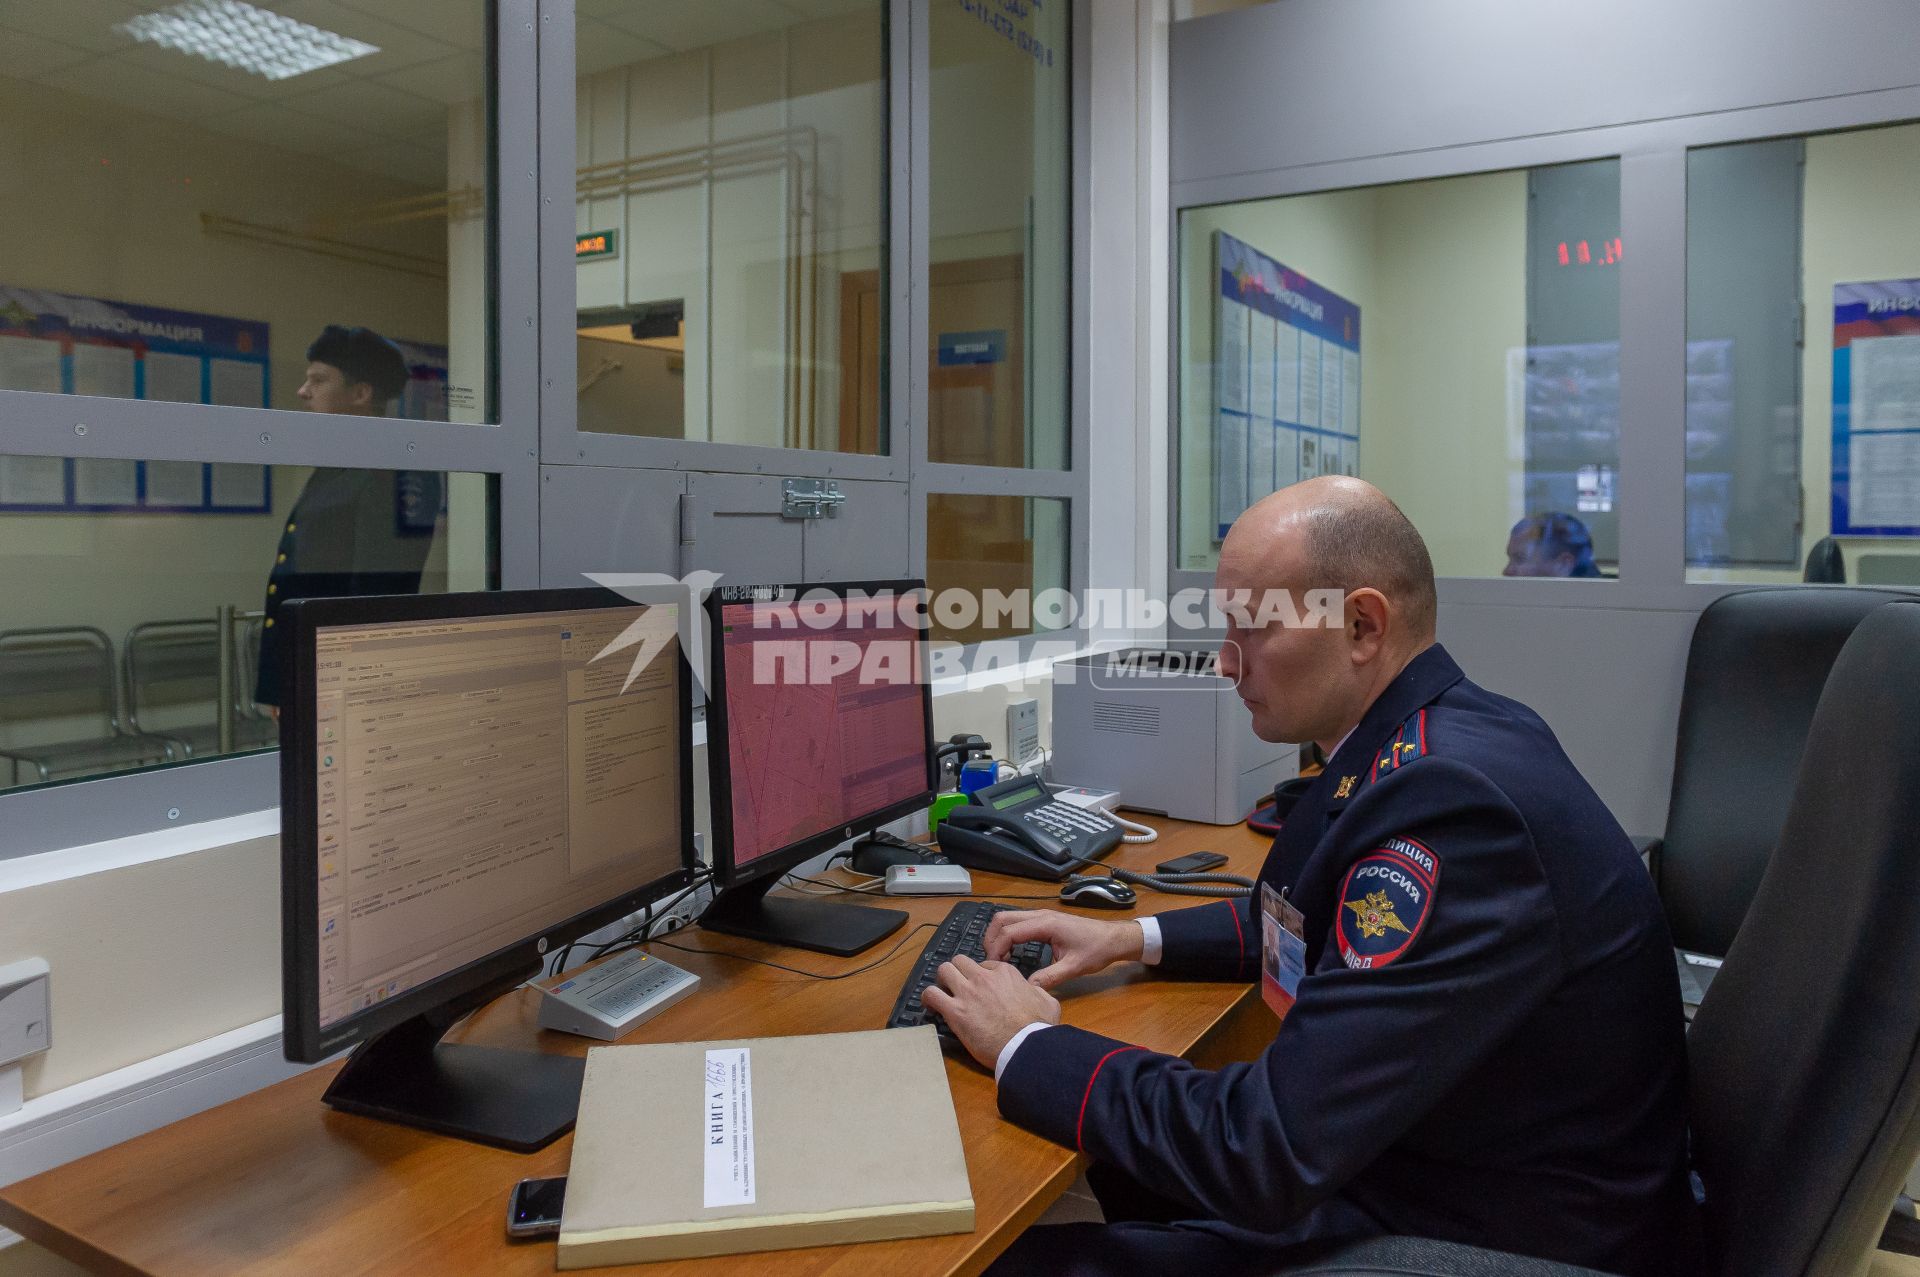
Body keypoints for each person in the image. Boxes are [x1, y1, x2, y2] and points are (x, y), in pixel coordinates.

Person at [924, 477, 1698, 1275]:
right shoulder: (1437, 732)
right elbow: (1306, 913)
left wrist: (1027, 1040)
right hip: (1440, 1163)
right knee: (1123, 1165)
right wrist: (1131, 935)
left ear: (1361, 625)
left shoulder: (1455, 815)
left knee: (1014, 1259)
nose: (1226, 662)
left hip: (1495, 1237)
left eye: (1249, 630)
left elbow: (1261, 1150)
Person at [253, 326, 441, 708]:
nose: (303, 392)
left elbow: (374, 600)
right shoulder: (337, 468)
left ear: (361, 393)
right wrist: (281, 683)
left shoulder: (394, 472)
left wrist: (341, 696)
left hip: (342, 685)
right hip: (309, 671)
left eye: (318, 381)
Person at [1503, 511, 1606, 577]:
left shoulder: (1600, 609)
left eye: (1520, 559)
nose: (1506, 571)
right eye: (1510, 559)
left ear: (1564, 564)